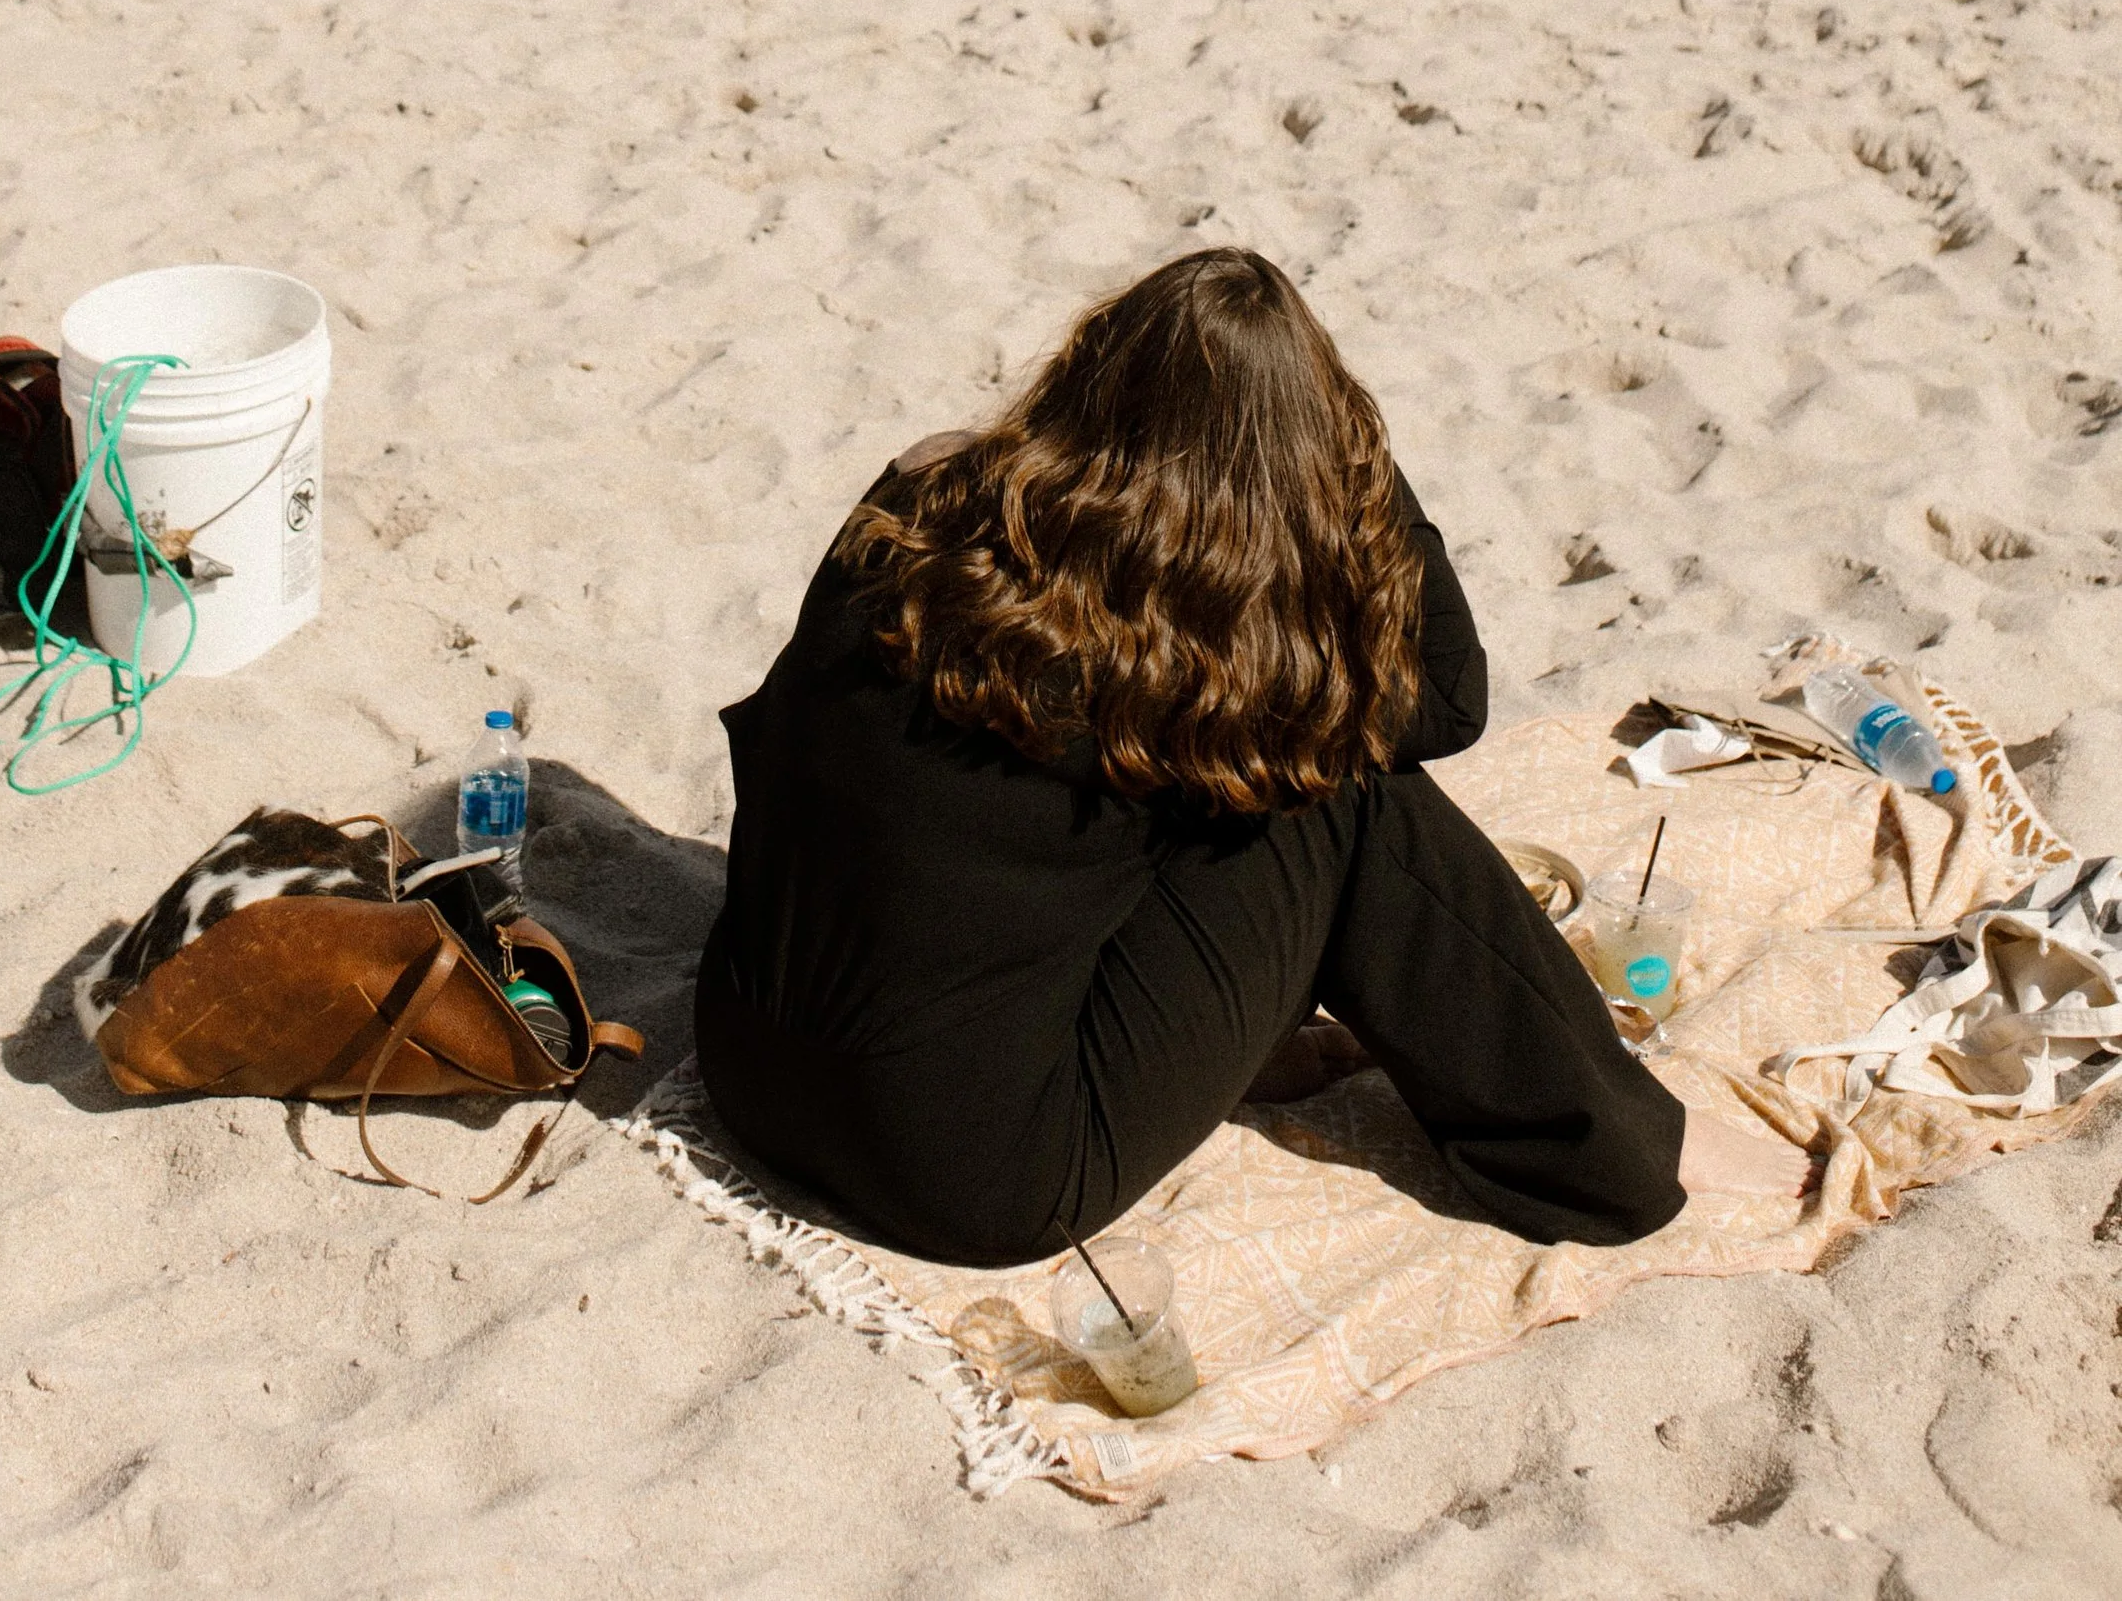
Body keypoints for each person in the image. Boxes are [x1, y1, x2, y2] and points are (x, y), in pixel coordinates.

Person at [694, 248, 1757, 1269]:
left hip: (750, 1071)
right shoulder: (1198, 671)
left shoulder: (912, 508)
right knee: (1338, 799)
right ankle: (1613, 1150)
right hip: (971, 1178)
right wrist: (1355, 462)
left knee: (1162, 808)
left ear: (1082, 378)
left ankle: (1234, 1053)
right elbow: (1448, 702)